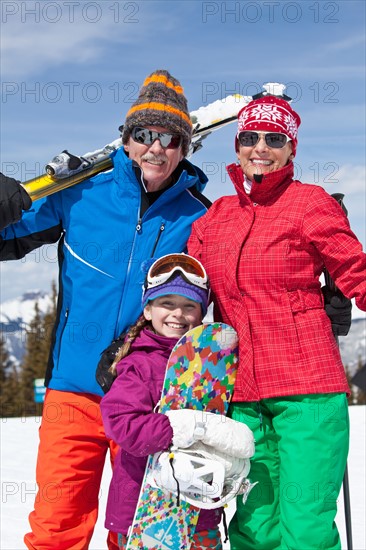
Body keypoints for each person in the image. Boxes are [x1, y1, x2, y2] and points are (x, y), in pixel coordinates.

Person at [0, 70, 211, 549]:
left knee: (141, 528)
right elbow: (7, 231)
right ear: (127, 139)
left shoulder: (200, 216)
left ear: (185, 148)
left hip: (148, 396)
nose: (156, 148)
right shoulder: (79, 194)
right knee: (57, 525)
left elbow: (242, 280)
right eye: (144, 135)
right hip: (72, 391)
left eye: (170, 138)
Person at [187, 93, 366, 549]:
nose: (260, 147)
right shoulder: (215, 219)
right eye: (249, 137)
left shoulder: (311, 203)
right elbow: (187, 295)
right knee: (254, 526)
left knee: (305, 526)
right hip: (242, 396)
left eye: (274, 138)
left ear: (291, 149)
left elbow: (354, 269)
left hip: (308, 388)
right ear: (237, 145)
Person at [100, 253, 255, 549]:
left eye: (189, 306)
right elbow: (122, 424)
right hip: (142, 510)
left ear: (201, 313)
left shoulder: (213, 366)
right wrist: (180, 429)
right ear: (147, 310)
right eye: (166, 304)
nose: (178, 314)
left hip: (199, 510)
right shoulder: (139, 365)